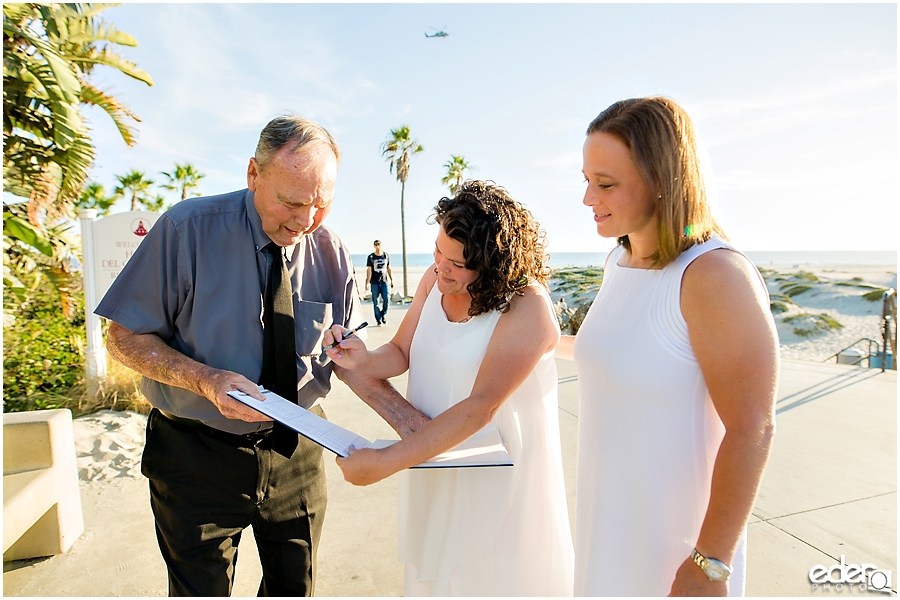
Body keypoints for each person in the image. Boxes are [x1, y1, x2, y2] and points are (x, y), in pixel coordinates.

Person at [95, 115, 426, 596]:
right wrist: (206, 379)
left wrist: (418, 430)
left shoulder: (330, 250)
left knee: (295, 588)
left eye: (322, 204)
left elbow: (350, 363)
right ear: (254, 175)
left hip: (299, 450)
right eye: (291, 201)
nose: (305, 220)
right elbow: (123, 336)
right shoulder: (185, 230)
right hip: (194, 454)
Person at [555, 97, 778, 596]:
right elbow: (629, 361)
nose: (588, 198)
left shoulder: (714, 275)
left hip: (677, 552)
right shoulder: (619, 262)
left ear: (662, 180)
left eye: (606, 184)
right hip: (607, 533)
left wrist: (710, 563)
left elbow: (752, 428)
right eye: (586, 180)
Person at [324, 181, 574, 596]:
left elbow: (481, 407)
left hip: (494, 482)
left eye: (457, 263)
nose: (441, 267)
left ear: (493, 265)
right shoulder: (434, 278)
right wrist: (362, 358)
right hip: (433, 462)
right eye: (437, 251)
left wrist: (386, 461)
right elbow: (402, 349)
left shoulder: (527, 305)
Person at [365, 239, 393, 326]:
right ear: (374, 246)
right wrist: (367, 282)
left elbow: (389, 268)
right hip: (374, 282)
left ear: (381, 245)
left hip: (384, 281)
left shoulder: (386, 255)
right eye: (376, 244)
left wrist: (392, 279)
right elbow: (369, 270)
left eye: (379, 244)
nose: (377, 246)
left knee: (386, 300)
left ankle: (383, 315)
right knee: (376, 302)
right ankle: (378, 320)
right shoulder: (371, 257)